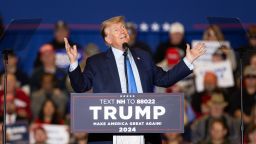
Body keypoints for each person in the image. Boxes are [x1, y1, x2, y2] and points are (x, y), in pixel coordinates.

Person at [65, 16, 206, 144]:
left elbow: (165, 79)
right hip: (111, 131)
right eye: (116, 29)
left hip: (144, 130)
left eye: (123, 27)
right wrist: (73, 63)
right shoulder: (96, 62)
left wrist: (188, 60)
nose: (122, 30)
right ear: (108, 39)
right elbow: (80, 86)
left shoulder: (143, 57)